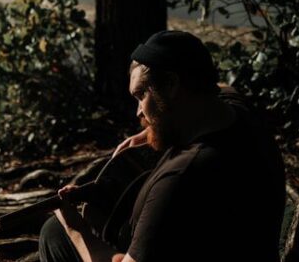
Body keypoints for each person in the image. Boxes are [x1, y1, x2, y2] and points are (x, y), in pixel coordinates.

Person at [39, 30, 286, 262]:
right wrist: (150, 131)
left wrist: (75, 229)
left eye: (140, 96)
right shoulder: (238, 114)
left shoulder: (184, 175)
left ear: (171, 84)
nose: (138, 112)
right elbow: (222, 89)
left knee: (55, 233)